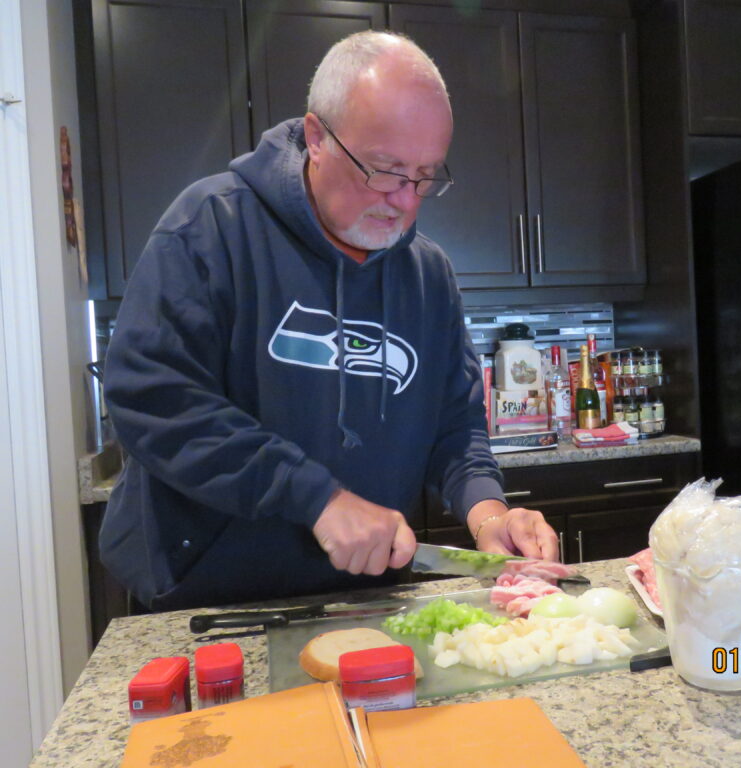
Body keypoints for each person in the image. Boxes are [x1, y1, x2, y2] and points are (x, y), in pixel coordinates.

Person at [99, 31, 559, 611]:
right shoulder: (210, 227)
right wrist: (318, 498)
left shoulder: (428, 275)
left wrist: (489, 513)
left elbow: (454, 423)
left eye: (425, 176)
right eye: (386, 171)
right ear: (317, 138)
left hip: (365, 598)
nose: (406, 201)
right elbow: (154, 397)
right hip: (208, 599)